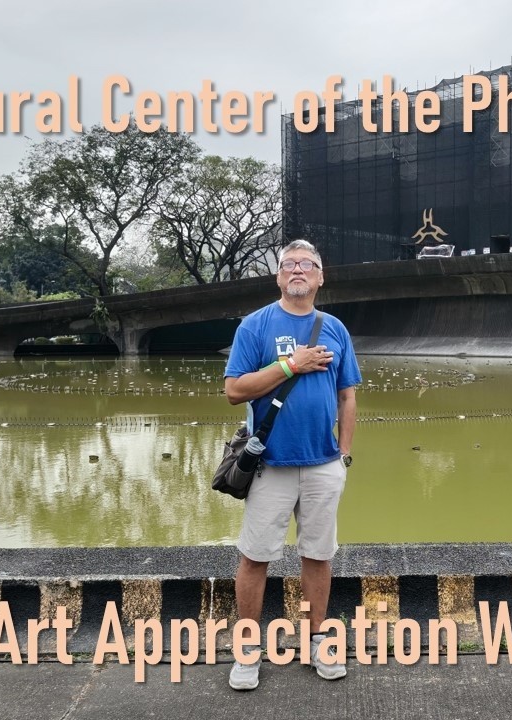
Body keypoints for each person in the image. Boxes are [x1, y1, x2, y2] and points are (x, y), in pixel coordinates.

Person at [222, 239, 361, 691]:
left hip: (324, 464)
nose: (297, 269)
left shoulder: (335, 328)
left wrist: (344, 454)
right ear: (279, 277)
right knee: (256, 556)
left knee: (318, 555)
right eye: (289, 265)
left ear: (321, 277)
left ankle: (318, 639)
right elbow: (236, 390)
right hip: (270, 465)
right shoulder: (255, 325)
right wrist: (291, 364)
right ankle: (247, 651)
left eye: (307, 264)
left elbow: (347, 395)